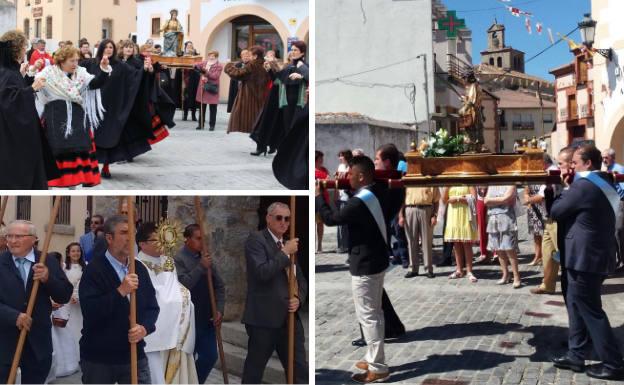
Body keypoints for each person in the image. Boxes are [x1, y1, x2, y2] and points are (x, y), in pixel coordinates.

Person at [316, 156, 397, 383]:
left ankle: (378, 366)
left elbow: (331, 219)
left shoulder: (358, 202)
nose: (346, 177)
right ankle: (373, 356)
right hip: (377, 259)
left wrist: (317, 196)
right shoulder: (378, 190)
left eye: (350, 174)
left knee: (368, 316)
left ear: (361, 176)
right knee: (376, 313)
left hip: (365, 264)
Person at [550, 144, 624, 380]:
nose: (571, 166)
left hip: (585, 259)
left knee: (591, 310)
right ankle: (576, 353)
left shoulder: (583, 185)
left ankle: (613, 363)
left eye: (575, 162)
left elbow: (556, 211)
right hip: (591, 255)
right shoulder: (603, 180)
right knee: (575, 304)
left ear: (588, 163)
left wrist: (563, 188)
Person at [79, 215, 160, 384]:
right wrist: (120, 291)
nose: (130, 237)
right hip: (100, 357)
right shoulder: (94, 270)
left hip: (133, 353)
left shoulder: (139, 269)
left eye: (133, 232)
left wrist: (144, 328)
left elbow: (152, 307)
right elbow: (90, 311)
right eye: (124, 232)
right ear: (109, 238)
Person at [242, 202, 308, 384]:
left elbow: (301, 279)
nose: (284, 222)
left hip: (290, 319)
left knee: (299, 370)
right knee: (254, 372)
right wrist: (285, 252)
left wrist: (299, 299)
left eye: (287, 219)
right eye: (279, 218)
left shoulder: (289, 243)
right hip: (264, 319)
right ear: (268, 218)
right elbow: (262, 272)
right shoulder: (256, 240)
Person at [0, 220, 73, 384]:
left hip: (37, 342)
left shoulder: (46, 260)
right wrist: (14, 316)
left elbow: (64, 295)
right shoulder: (1, 262)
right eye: (9, 236)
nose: (12, 241)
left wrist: (48, 279)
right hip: (5, 341)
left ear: (33, 239)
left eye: (18, 236)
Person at [36, 45, 112, 188]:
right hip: (55, 119)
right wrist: (31, 71)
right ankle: (50, 185)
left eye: (77, 60)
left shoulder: (81, 74)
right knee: (54, 154)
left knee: (77, 152)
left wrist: (103, 69)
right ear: (61, 61)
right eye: (72, 61)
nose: (75, 64)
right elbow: (33, 85)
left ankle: (73, 187)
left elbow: (96, 83)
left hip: (77, 120)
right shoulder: (48, 73)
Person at [137, 223, 198, 384]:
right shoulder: (136, 265)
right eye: (156, 240)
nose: (161, 243)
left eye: (162, 239)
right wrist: (173, 300)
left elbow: (174, 287)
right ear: (142, 244)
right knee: (154, 373)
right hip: (153, 328)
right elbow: (151, 295)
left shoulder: (169, 261)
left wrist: (183, 297)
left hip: (176, 323)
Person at [0, 30, 58, 189]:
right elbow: (8, 101)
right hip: (14, 139)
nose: (25, 50)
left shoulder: (10, 70)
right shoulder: (8, 72)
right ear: (15, 49)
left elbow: (13, 90)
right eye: (24, 47)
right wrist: (32, 88)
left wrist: (26, 76)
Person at [175, 224, 225, 383]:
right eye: (198, 238)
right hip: (189, 321)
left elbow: (220, 286)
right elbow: (184, 285)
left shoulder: (206, 257)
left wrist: (219, 309)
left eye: (204, 239)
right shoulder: (179, 259)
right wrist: (201, 267)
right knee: (186, 360)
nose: (202, 242)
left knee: (210, 356)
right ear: (187, 239)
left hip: (207, 319)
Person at [250, 41, 308, 156]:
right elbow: (281, 78)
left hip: (297, 103)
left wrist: (301, 76)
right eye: (292, 49)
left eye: (295, 50)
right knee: (283, 127)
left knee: (292, 130)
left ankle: (290, 154)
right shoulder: (291, 65)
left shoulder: (302, 65)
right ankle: (277, 149)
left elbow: (308, 77)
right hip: (285, 101)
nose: (292, 52)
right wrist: (271, 69)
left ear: (302, 52)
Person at [531, 147, 574, 295]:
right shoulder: (552, 171)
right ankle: (547, 284)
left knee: (562, 252)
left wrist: (528, 198)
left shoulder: (554, 172)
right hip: (548, 218)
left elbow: (542, 195)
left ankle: (573, 284)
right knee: (548, 253)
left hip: (556, 219)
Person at [49, 243, 86, 378]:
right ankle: (71, 357)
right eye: (73, 251)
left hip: (78, 305)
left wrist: (78, 297)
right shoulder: (63, 268)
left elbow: (85, 285)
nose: (76, 253)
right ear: (68, 253)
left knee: (79, 328)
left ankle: (81, 355)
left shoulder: (85, 267)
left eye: (78, 251)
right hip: (65, 303)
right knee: (68, 330)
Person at [224, 45, 270, 134]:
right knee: (261, 121)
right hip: (263, 96)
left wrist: (228, 66)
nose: (249, 56)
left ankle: (260, 143)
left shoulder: (252, 65)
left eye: (250, 55)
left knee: (253, 121)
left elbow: (238, 74)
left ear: (255, 56)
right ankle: (262, 144)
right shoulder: (265, 64)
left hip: (250, 96)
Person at [399, 185, 440, 278]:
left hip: (426, 210)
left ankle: (428, 269)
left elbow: (436, 201)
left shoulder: (430, 181)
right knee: (411, 242)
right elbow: (401, 200)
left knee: (427, 241)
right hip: (410, 209)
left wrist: (435, 215)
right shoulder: (408, 181)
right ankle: (413, 269)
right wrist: (401, 215)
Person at [485, 185, 521, 288]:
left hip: (507, 218)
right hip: (493, 219)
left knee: (510, 248)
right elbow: (486, 201)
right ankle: (505, 275)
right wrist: (500, 200)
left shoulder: (511, 185)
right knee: (498, 248)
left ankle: (516, 276)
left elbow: (506, 198)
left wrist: (493, 201)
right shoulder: (492, 186)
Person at [443, 185, 478, 282]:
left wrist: (457, 198)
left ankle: (469, 270)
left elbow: (474, 199)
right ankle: (459, 270)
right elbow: (444, 199)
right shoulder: (449, 183)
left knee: (467, 244)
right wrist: (453, 199)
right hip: (453, 215)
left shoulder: (468, 182)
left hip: (465, 214)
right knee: (456, 243)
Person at [602, 148, 624, 271]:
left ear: (612, 157)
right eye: (603, 157)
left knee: (619, 232)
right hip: (613, 202)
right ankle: (618, 260)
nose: (604, 160)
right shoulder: (608, 169)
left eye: (606, 157)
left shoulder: (618, 169)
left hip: (620, 202)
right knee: (614, 232)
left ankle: (622, 262)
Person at [194, 50, 223, 131]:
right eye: (210, 55)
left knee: (213, 108)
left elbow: (215, 76)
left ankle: (212, 125)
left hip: (212, 87)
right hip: (203, 87)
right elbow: (196, 64)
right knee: (202, 107)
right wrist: (197, 67)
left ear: (216, 56)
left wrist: (205, 72)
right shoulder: (205, 62)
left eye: (213, 56)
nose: (211, 57)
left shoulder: (219, 65)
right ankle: (200, 124)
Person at [336, 149, 353, 253]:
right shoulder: (340, 167)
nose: (339, 158)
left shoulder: (352, 166)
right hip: (341, 197)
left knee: (348, 222)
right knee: (341, 223)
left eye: (341, 156)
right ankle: (341, 245)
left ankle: (348, 244)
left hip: (349, 196)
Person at [315, 151, 329, 252]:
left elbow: (328, 182)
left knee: (320, 223)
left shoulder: (324, 170)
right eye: (320, 158)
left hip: (323, 198)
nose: (322, 160)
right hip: (314, 198)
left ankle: (319, 244)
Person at [227, 49, 250, 114]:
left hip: (247, 89)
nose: (246, 57)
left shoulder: (251, 65)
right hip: (237, 88)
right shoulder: (237, 65)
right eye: (244, 55)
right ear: (241, 56)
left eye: (247, 55)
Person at [474, 186, 490, 263]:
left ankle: (495, 252)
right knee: (481, 226)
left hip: (492, 197)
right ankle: (483, 252)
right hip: (480, 199)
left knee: (493, 225)